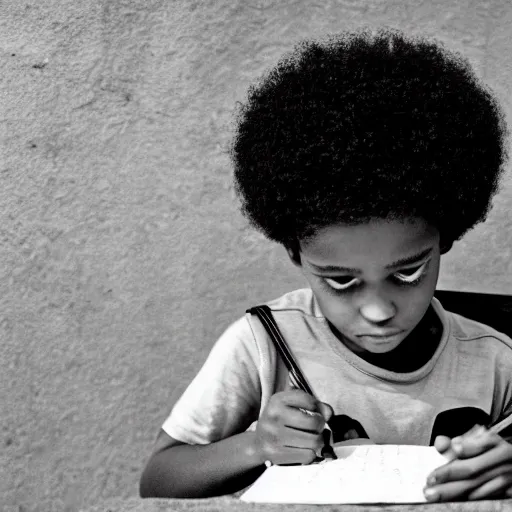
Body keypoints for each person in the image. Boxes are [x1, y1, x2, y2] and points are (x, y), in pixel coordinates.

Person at [140, 28, 512, 501]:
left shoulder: (497, 363)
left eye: (407, 273)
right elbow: (158, 477)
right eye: (340, 281)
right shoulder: (264, 345)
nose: (377, 310)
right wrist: (257, 444)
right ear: (295, 252)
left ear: (447, 238)